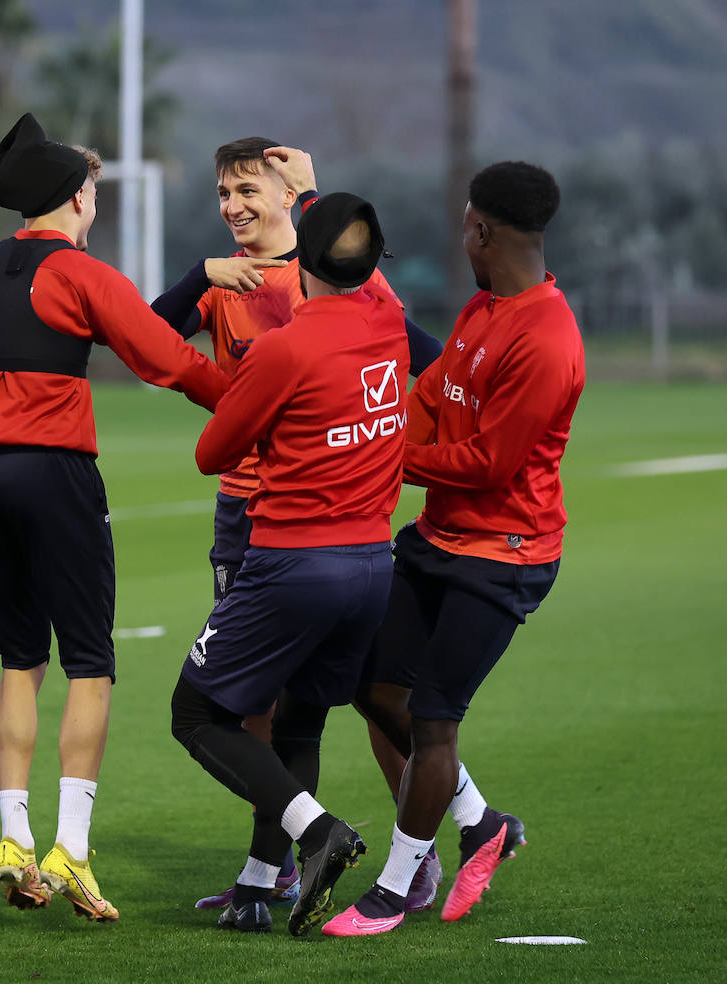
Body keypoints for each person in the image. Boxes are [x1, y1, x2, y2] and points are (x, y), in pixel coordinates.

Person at [0, 113, 228, 921]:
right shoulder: (84, 274)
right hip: (53, 469)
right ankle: (71, 847)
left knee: (17, 657)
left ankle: (12, 839)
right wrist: (252, 401)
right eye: (94, 192)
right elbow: (165, 361)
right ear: (76, 197)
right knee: (91, 661)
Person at [152, 139, 445, 914]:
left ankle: (325, 836)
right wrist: (201, 275)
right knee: (291, 712)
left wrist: (230, 389)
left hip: (285, 541)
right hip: (352, 548)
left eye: (249, 187)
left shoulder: (298, 335)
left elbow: (213, 446)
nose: (231, 204)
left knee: (209, 711)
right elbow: (148, 335)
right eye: (222, 191)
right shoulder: (370, 307)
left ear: (291, 201)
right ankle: (261, 879)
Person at [324, 161, 583, 937]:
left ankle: (397, 887)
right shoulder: (481, 310)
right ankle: (480, 824)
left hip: (506, 554)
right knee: (374, 690)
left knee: (435, 717)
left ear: (481, 231)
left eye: (464, 223)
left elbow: (491, 466)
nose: (459, 233)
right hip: (442, 538)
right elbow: (432, 400)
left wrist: (383, 459)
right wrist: (381, 429)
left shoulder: (547, 339)